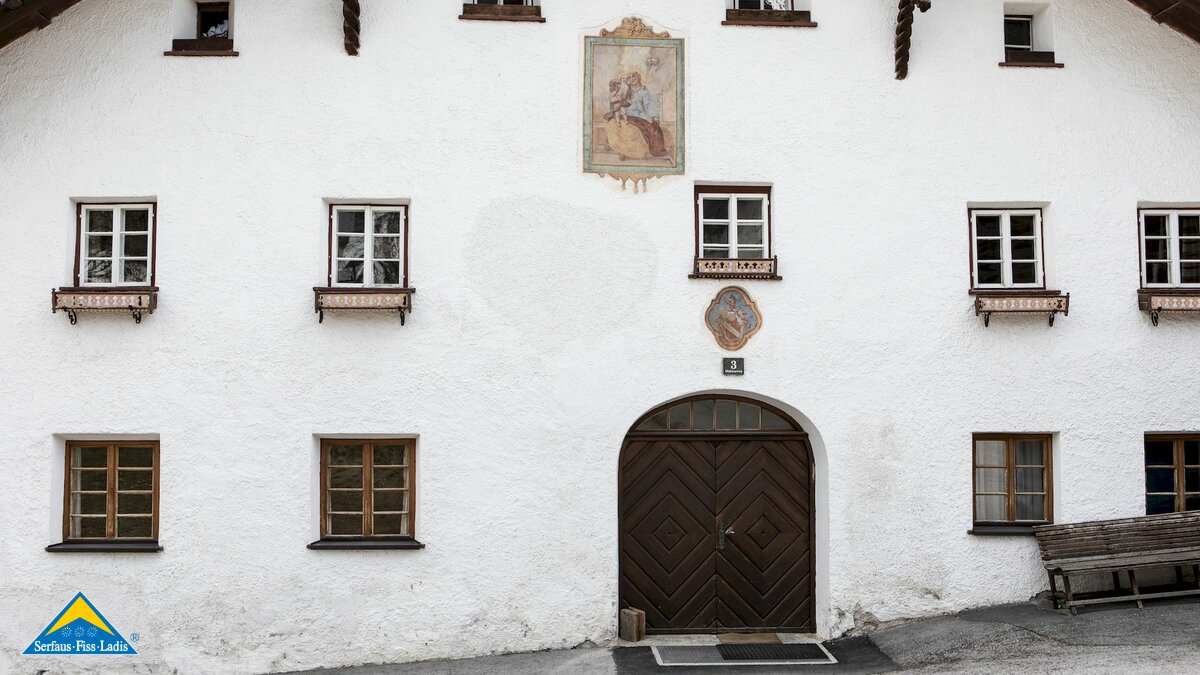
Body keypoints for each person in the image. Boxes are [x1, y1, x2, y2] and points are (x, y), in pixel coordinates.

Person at [603, 71, 668, 161]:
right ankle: (621, 150)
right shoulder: (625, 90)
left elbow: (649, 105)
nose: (632, 79)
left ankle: (652, 150)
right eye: (629, 77)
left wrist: (654, 115)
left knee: (654, 129)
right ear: (627, 81)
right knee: (616, 125)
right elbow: (610, 100)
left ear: (638, 77)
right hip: (626, 114)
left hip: (640, 116)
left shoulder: (644, 91)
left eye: (633, 76)